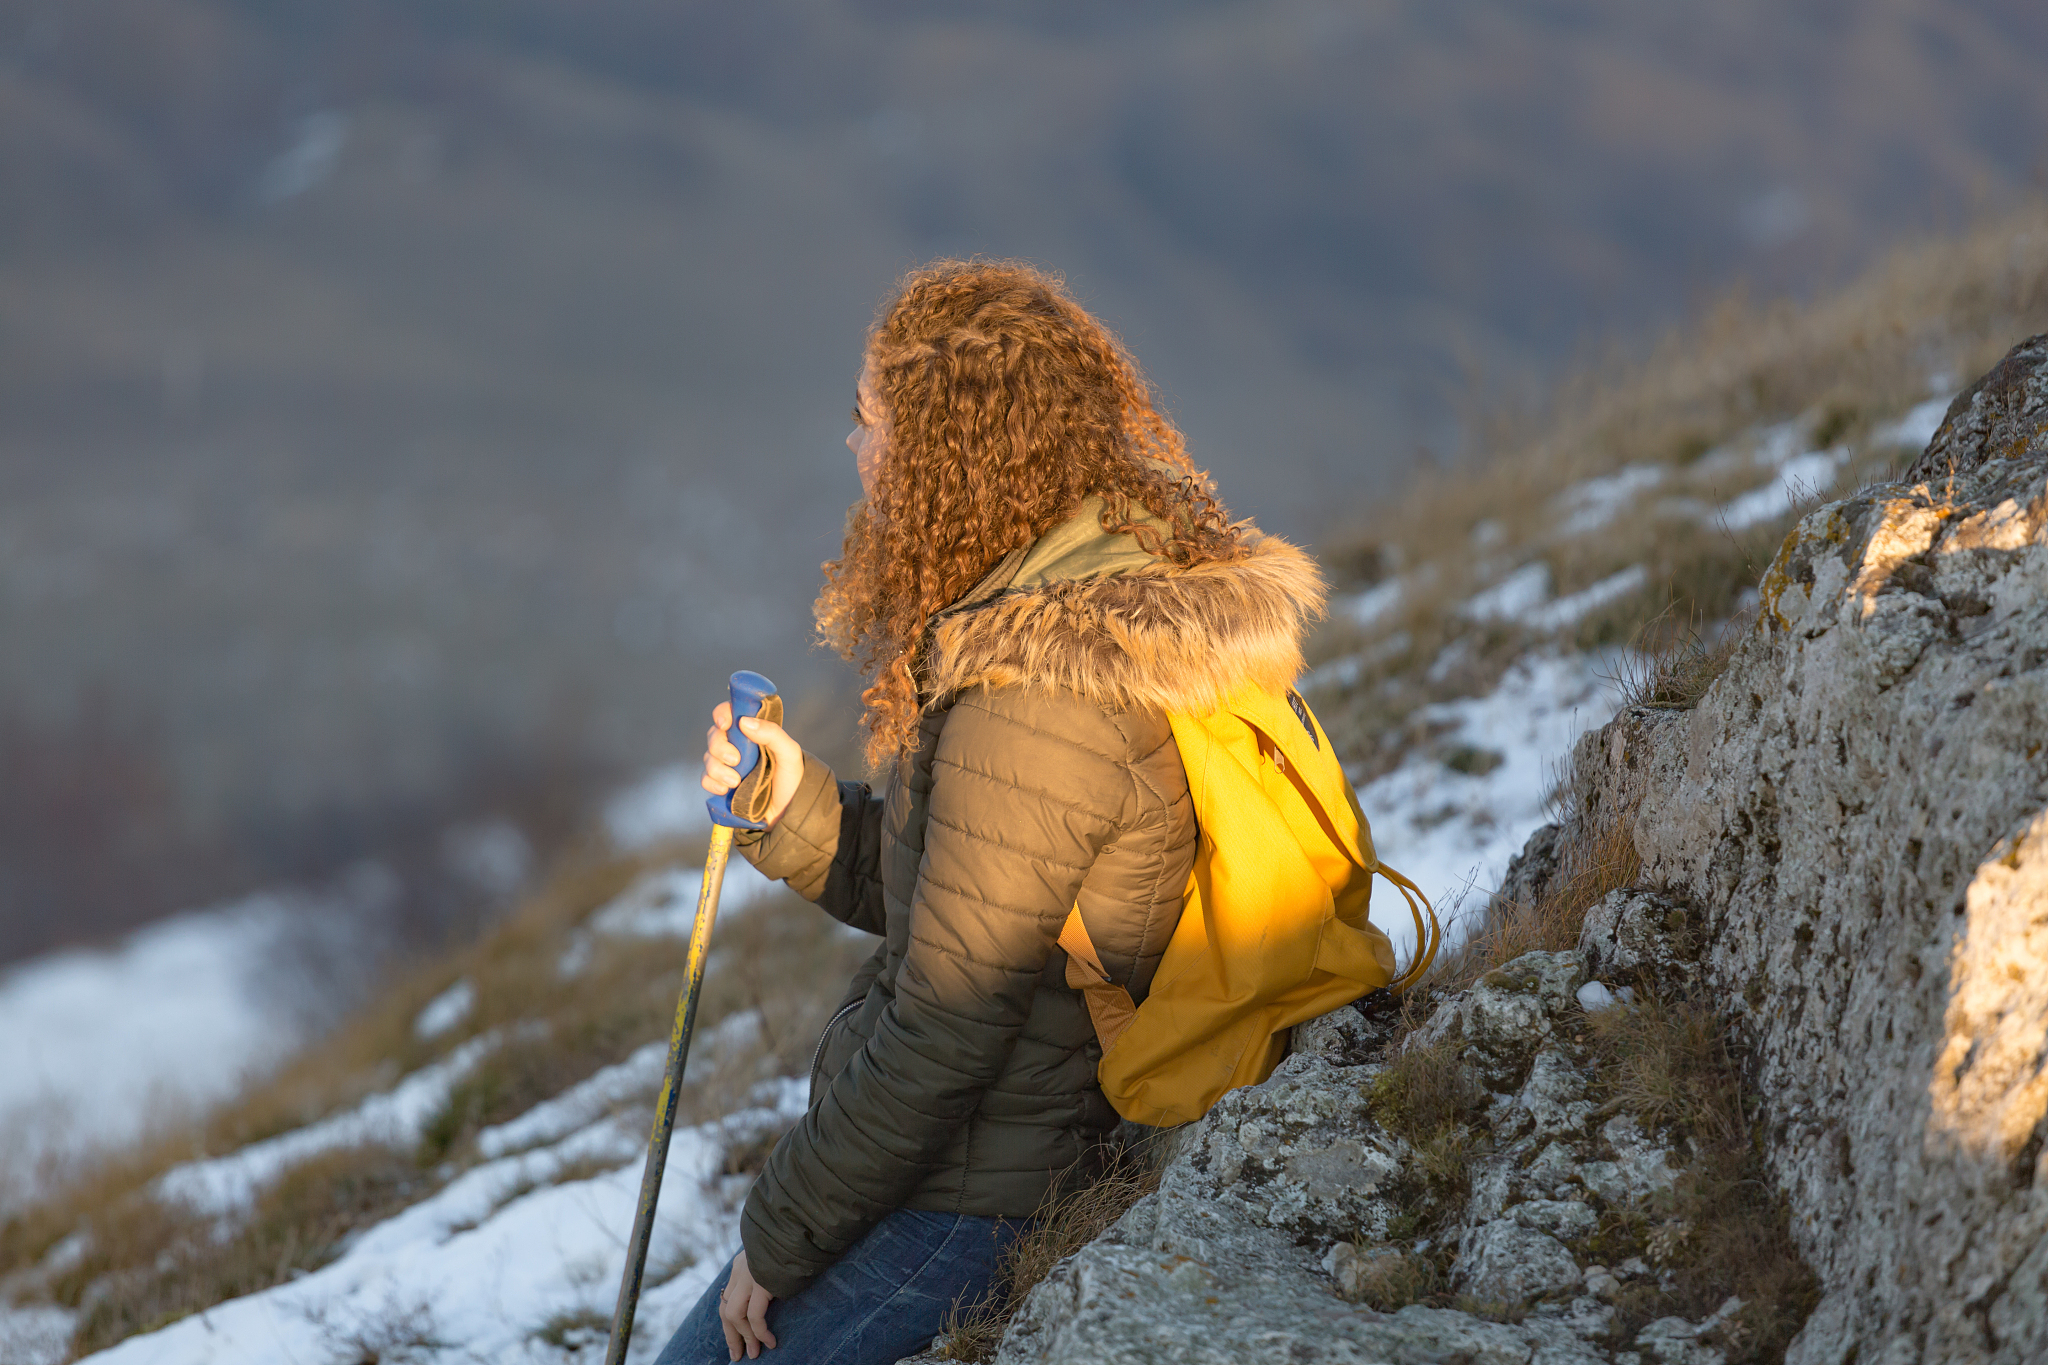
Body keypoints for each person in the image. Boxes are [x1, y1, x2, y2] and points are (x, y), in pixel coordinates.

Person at [656, 260, 1326, 1365]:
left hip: (983, 1193)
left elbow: (943, 1025)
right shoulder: (1063, 598)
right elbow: (959, 897)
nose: (852, 447)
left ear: (942, 448)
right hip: (977, 1152)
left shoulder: (1039, 694)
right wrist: (788, 803)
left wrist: (773, 1241)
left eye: (866, 420)